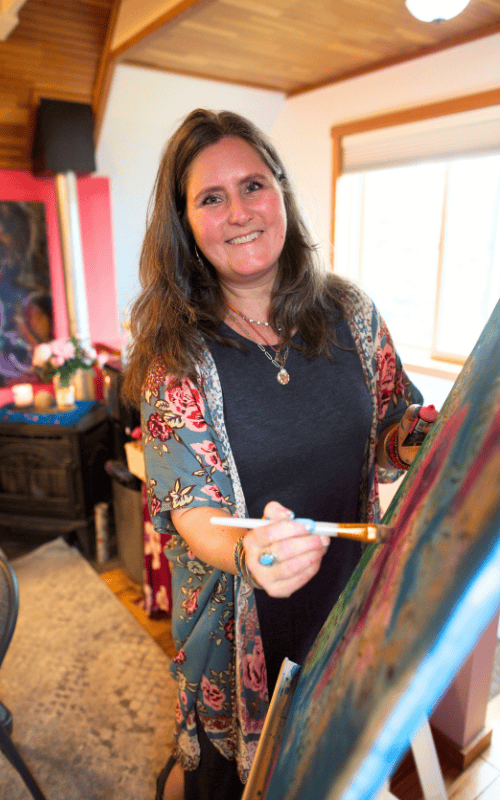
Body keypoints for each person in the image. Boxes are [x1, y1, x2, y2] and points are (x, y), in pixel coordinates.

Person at [122, 109, 428, 800]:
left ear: (282, 193)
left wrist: (430, 438)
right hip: (241, 621)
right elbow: (192, 512)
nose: (239, 212)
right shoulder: (177, 358)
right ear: (187, 226)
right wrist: (249, 555)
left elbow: (392, 427)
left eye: (253, 185)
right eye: (210, 198)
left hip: (348, 597)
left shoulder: (352, 312)